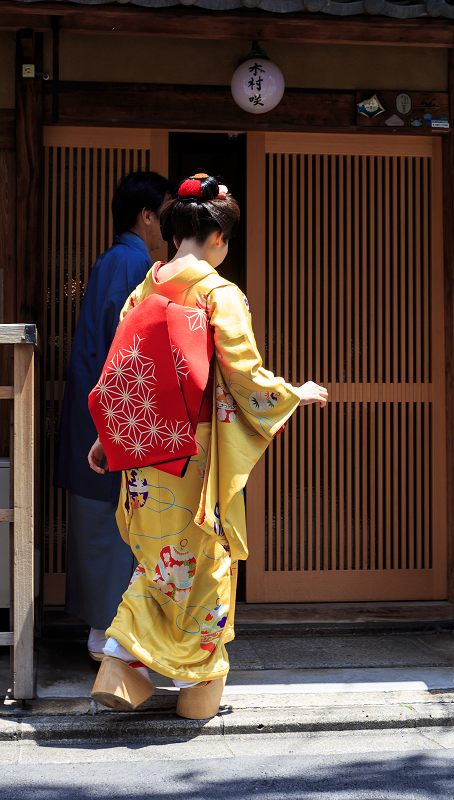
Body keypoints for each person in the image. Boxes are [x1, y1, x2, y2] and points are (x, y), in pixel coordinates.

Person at [87, 173, 328, 718]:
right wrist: (295, 393)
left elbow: (122, 375)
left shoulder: (143, 291)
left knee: (156, 564)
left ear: (174, 235)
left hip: (150, 457)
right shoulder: (220, 294)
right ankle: (196, 698)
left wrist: (111, 438)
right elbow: (245, 377)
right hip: (196, 458)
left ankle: (122, 663)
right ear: (219, 239)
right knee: (207, 563)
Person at [54, 171, 173, 661]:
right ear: (147, 216)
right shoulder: (132, 263)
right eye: (165, 212)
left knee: (102, 522)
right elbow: (131, 348)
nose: (169, 224)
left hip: (98, 410)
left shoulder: (116, 259)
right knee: (114, 523)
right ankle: (108, 635)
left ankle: (106, 633)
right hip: (113, 418)